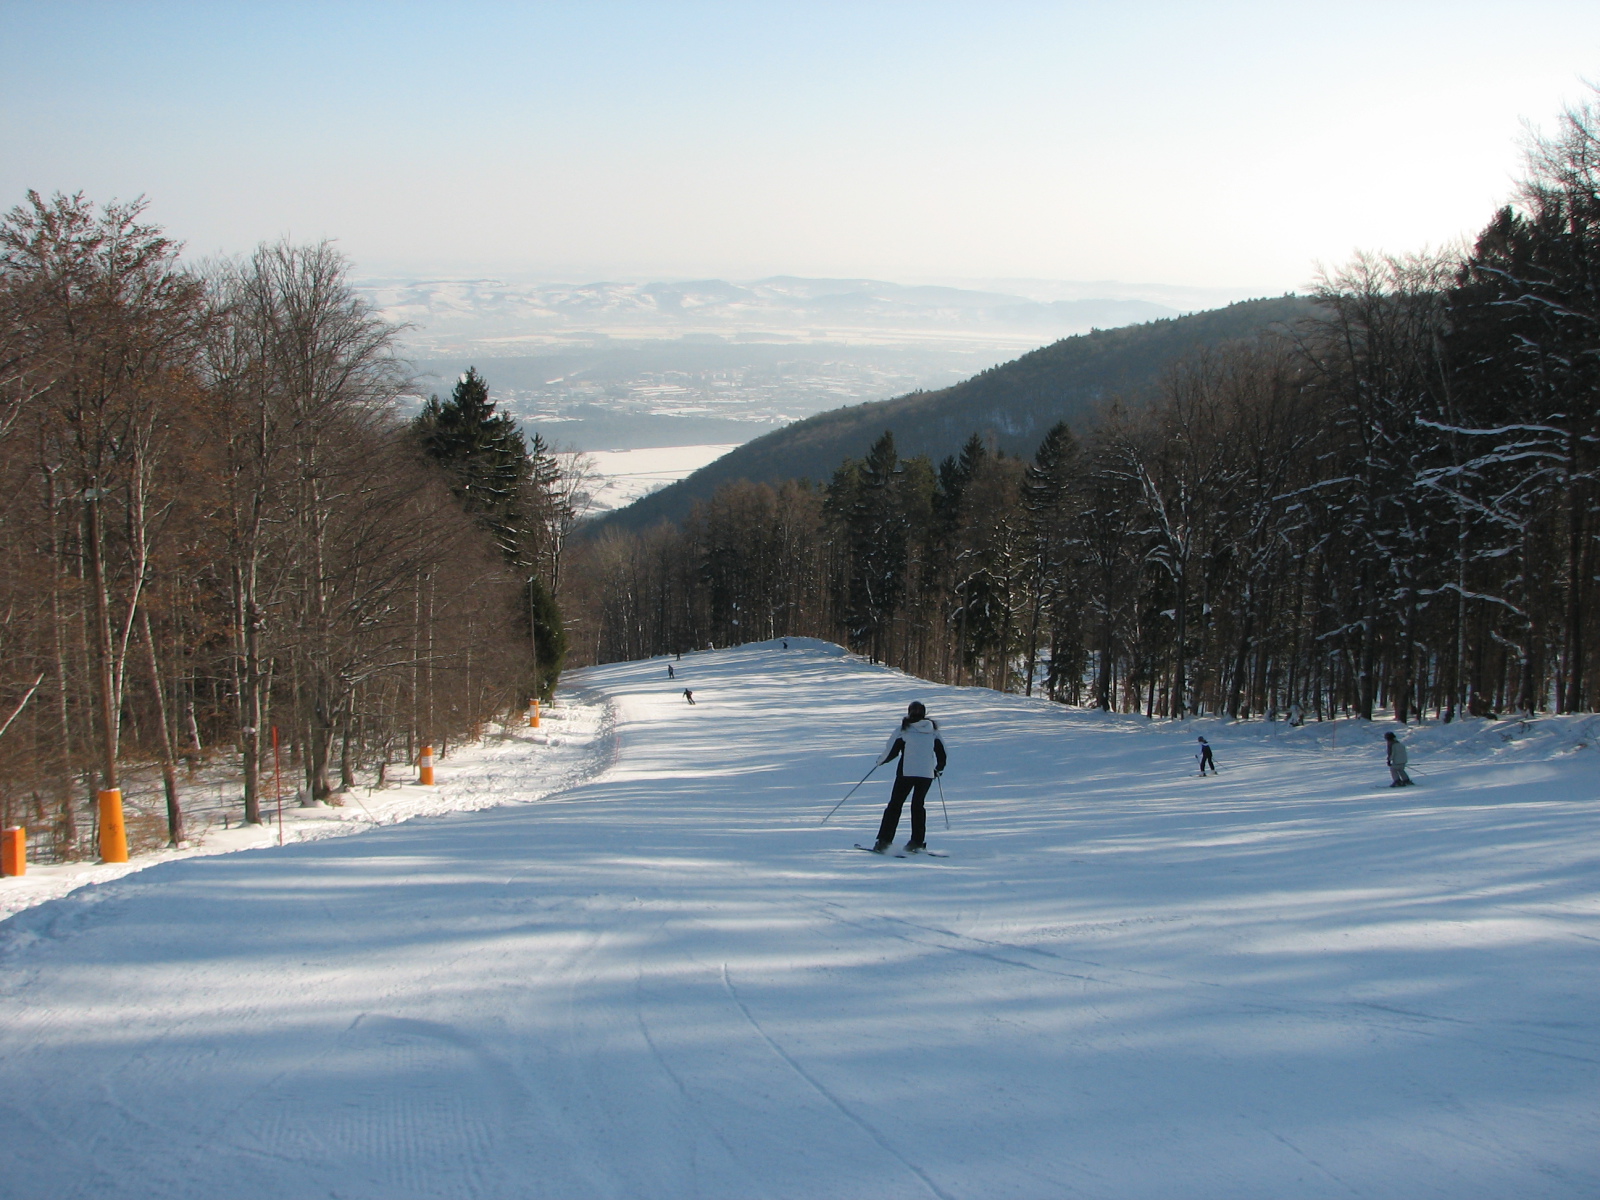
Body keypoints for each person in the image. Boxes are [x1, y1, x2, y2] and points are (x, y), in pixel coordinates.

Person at [869, 701, 947, 854]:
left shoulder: (903, 730)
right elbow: (942, 754)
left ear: (909, 712)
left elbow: (891, 751)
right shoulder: (933, 731)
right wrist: (939, 769)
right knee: (918, 806)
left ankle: (884, 841)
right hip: (926, 775)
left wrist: (880, 761)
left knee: (895, 805)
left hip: (906, 772)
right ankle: (917, 842)